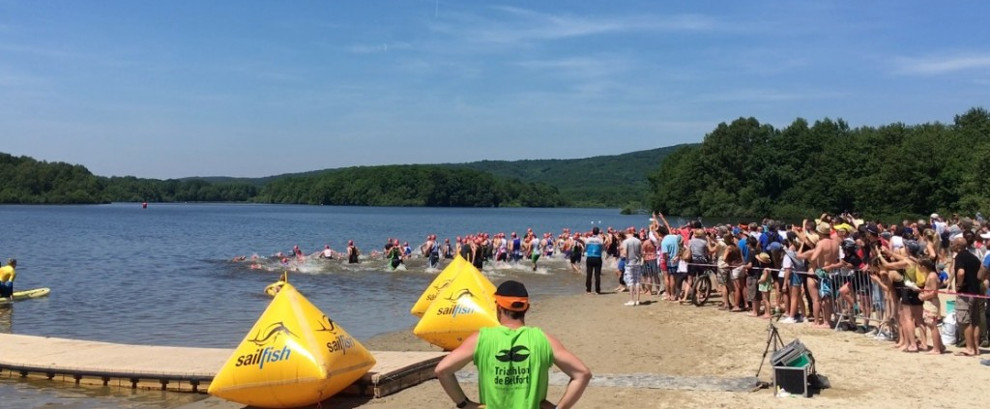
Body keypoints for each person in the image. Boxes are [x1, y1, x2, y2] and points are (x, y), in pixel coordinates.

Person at [435, 280, 591, 409]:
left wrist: (465, 404)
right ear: (526, 308)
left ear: (498, 307)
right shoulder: (543, 339)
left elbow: (442, 370)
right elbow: (582, 374)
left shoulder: (481, 339)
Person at [622, 227, 643, 306]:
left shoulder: (626, 241)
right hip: (637, 262)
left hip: (629, 263)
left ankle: (631, 300)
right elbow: (641, 252)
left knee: (631, 281)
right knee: (637, 281)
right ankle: (637, 300)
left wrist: (623, 255)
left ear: (628, 233)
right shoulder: (638, 241)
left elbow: (624, 253)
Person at [584, 227, 604, 294]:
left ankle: (588, 290)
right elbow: (602, 249)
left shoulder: (588, 239)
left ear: (592, 232)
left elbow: (586, 248)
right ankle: (597, 290)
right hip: (597, 257)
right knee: (597, 275)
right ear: (598, 232)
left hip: (590, 257)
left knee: (589, 274)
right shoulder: (600, 240)